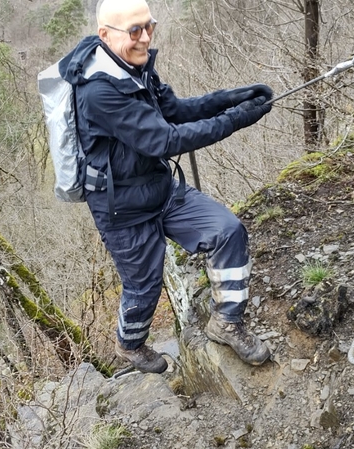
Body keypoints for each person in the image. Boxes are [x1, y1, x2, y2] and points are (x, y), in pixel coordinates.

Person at [59, 0, 274, 374]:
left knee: (227, 231)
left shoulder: (135, 69)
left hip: (158, 187)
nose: (145, 38)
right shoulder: (99, 92)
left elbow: (174, 110)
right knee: (144, 288)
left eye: (149, 26)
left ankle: (226, 322)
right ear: (105, 35)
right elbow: (166, 140)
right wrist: (237, 119)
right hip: (121, 207)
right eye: (135, 31)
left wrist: (231, 98)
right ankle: (130, 344)